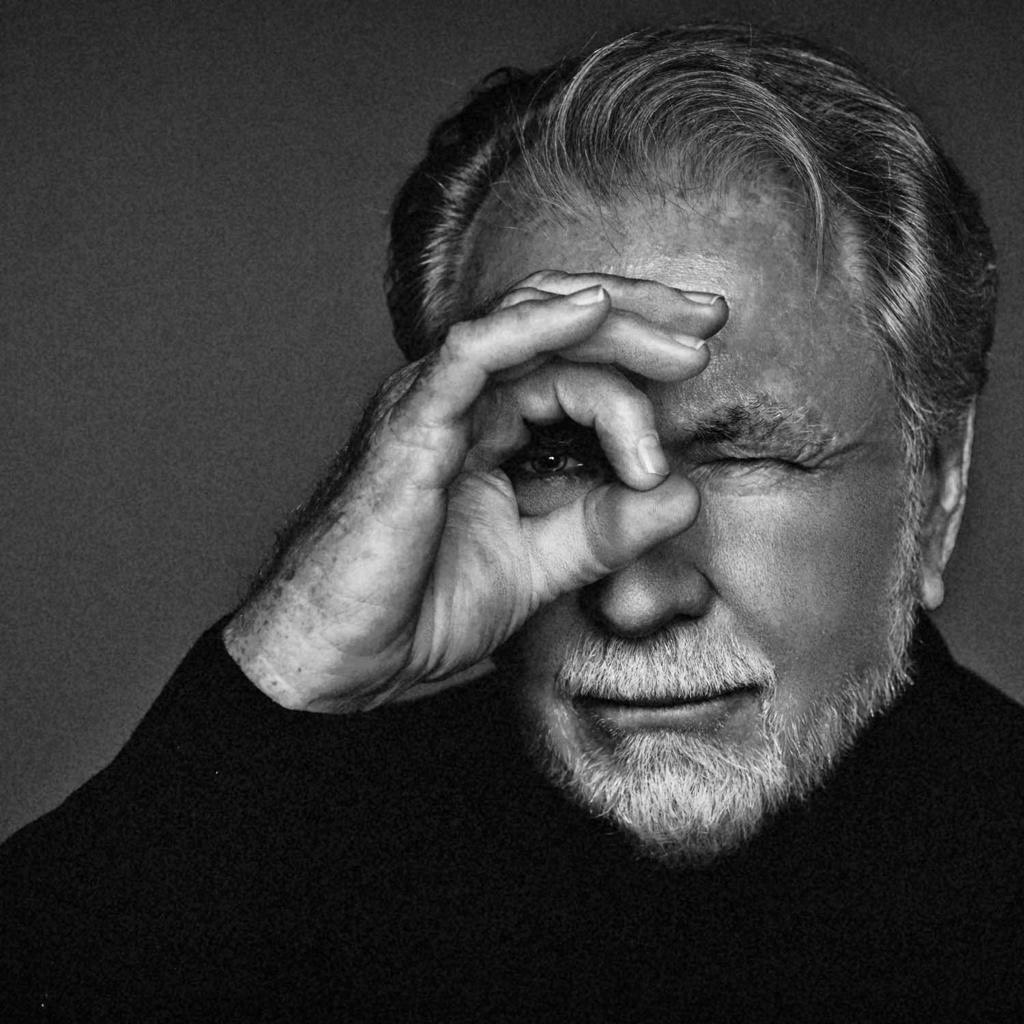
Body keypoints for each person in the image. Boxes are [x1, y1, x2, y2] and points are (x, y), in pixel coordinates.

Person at [3, 22, 1021, 1022]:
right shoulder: (271, 850)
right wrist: (287, 656)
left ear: (935, 485)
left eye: (745, 455)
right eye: (551, 453)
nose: (636, 592)